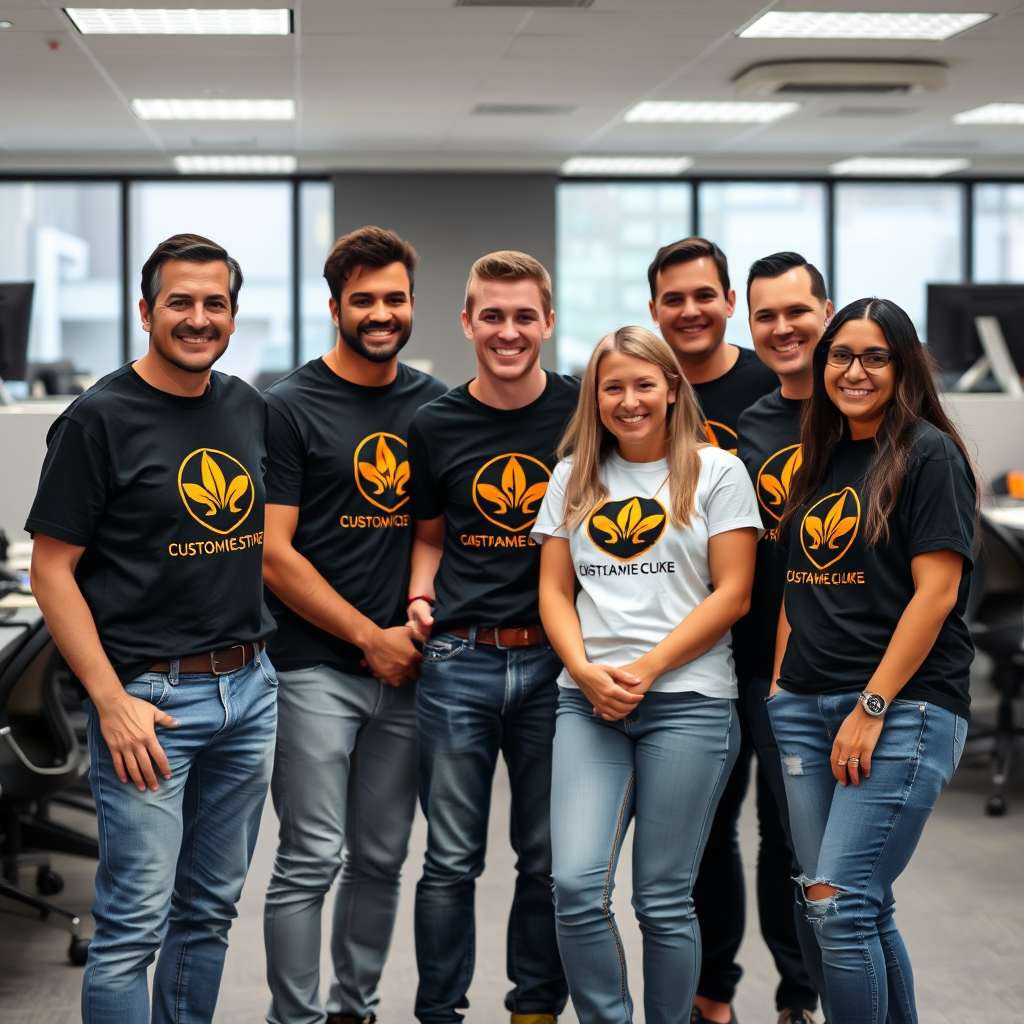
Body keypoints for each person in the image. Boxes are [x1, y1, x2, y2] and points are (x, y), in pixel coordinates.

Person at [27, 234, 277, 1024]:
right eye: (180, 302)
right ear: (145, 311)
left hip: (249, 691)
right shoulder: (98, 418)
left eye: (215, 304)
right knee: (133, 926)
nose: (198, 318)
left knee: (207, 914)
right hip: (151, 702)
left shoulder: (244, 405)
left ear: (233, 315)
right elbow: (51, 569)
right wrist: (109, 700)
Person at [533, 326, 762, 1024]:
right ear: (594, 397)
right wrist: (583, 670)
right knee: (574, 885)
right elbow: (553, 591)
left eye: (643, 384)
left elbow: (734, 593)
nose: (628, 400)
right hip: (587, 704)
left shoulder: (717, 471)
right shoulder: (573, 476)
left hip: (690, 703)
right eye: (612, 387)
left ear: (671, 388)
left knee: (662, 897)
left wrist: (646, 667)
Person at [769, 297, 976, 1024]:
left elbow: (937, 593)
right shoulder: (818, 459)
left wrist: (872, 707)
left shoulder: (929, 454)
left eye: (874, 357)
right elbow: (799, 585)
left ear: (904, 366)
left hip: (901, 709)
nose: (854, 371)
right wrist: (778, 688)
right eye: (841, 356)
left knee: (838, 904)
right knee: (856, 902)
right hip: (803, 706)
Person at [260, 226, 447, 1024]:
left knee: (381, 858)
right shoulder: (288, 407)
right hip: (313, 670)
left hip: (407, 670)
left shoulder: (436, 407)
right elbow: (272, 553)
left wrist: (405, 628)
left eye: (394, 299)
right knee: (308, 860)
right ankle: (294, 1017)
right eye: (363, 299)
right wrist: (368, 638)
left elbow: (434, 534)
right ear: (334, 306)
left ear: (412, 305)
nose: (380, 313)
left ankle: (354, 1008)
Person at [406, 251, 576, 1024]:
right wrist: (418, 592)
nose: (509, 332)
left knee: (545, 860)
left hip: (554, 662)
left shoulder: (584, 413)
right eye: (493, 316)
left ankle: (533, 1009)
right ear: (468, 322)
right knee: (448, 860)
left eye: (523, 316)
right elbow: (433, 536)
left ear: (547, 321)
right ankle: (440, 1011)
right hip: (457, 660)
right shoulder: (435, 422)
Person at [648, 237, 778, 1023]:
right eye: (674, 299)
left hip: (789, 646)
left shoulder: (779, 385)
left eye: (705, 295)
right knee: (709, 831)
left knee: (794, 838)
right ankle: (713, 993)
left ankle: (798, 996)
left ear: (729, 302)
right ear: (655, 310)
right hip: (697, 656)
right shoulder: (640, 394)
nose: (691, 310)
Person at [733, 253, 834, 1024]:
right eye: (765, 315)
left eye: (795, 310)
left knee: (821, 846)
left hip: (840, 669)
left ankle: (826, 989)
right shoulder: (755, 426)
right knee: (779, 836)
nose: (781, 327)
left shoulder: (867, 411)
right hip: (761, 665)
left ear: (825, 310)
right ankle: (796, 994)